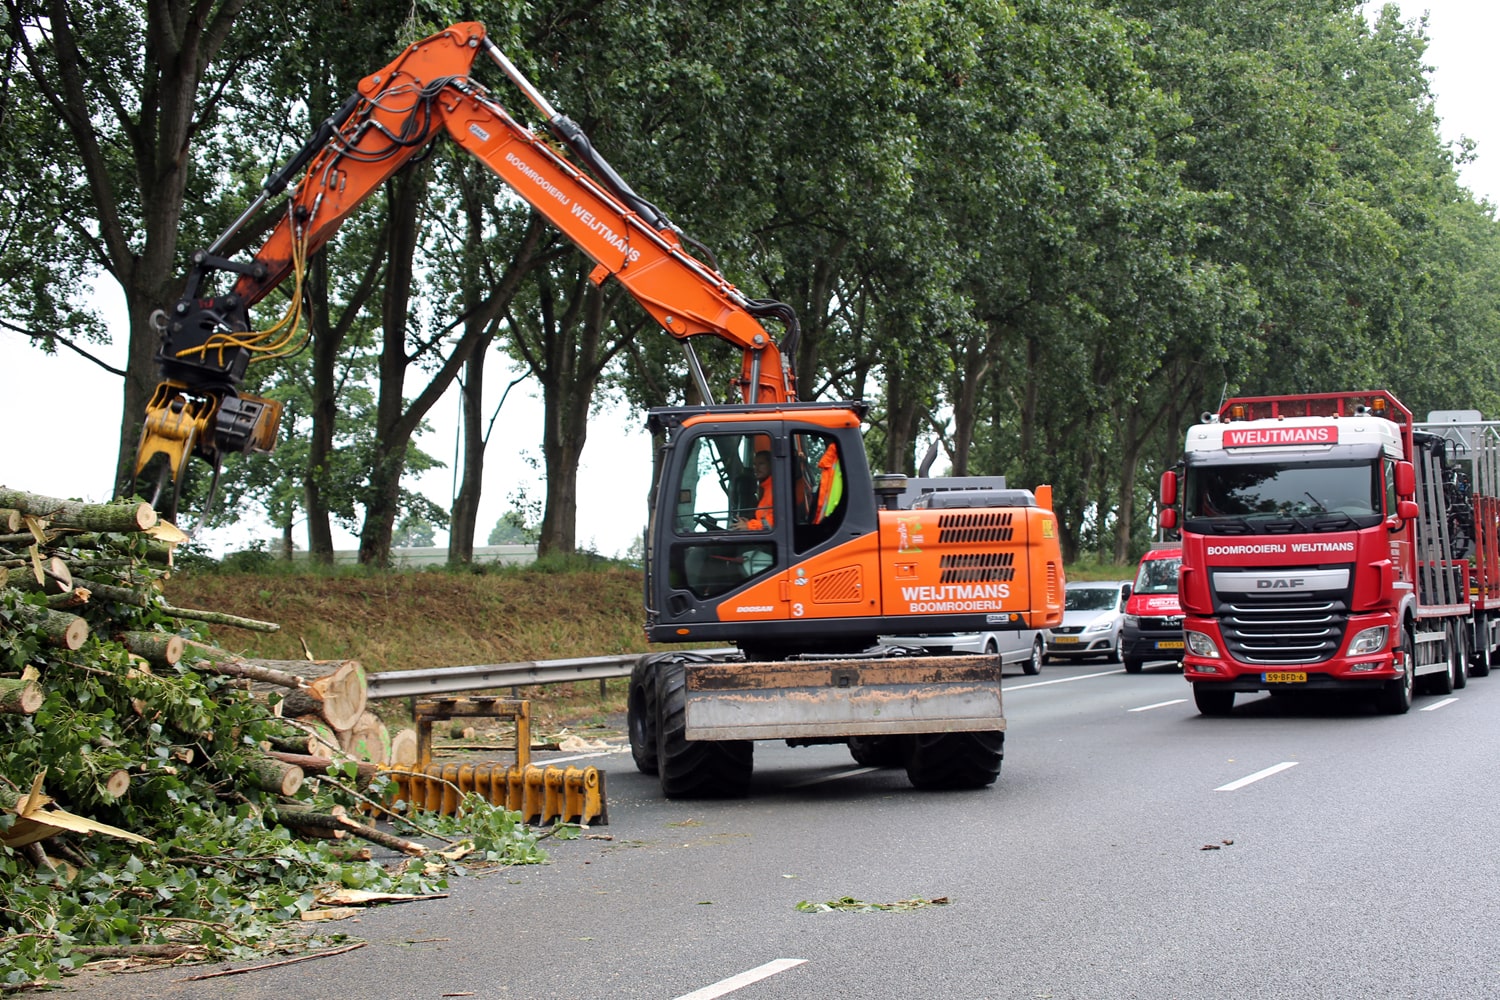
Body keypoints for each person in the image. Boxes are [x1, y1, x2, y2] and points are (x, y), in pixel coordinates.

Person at [735, 451, 773, 530]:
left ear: (771, 465)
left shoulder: (777, 489)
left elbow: (774, 522)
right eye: (754, 465)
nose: (756, 468)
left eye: (761, 464)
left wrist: (749, 526)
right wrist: (749, 522)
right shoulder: (765, 489)